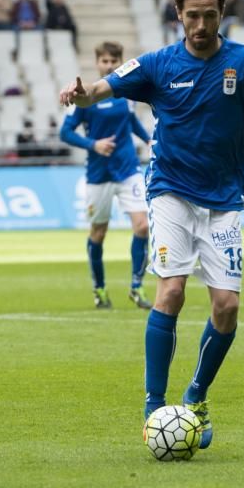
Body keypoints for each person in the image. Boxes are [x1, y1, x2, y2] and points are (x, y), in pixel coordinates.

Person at [59, 0, 244, 449]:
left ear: (222, 13)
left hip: (224, 201)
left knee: (227, 307)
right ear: (178, 15)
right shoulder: (158, 64)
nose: (202, 25)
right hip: (169, 192)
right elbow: (105, 87)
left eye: (210, 15)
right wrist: (83, 94)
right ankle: (153, 405)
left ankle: (195, 398)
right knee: (170, 293)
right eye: (193, 16)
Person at [59, 42, 153, 310]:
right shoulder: (86, 97)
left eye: (115, 60)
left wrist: (147, 140)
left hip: (127, 169)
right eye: (105, 61)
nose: (110, 65)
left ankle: (137, 287)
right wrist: (94, 145)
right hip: (98, 174)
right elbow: (65, 132)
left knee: (143, 226)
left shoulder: (126, 95)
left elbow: (131, 122)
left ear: (121, 62)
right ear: (97, 63)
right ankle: (99, 289)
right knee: (99, 232)